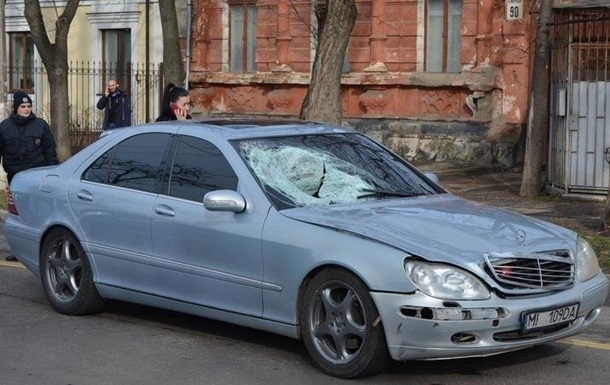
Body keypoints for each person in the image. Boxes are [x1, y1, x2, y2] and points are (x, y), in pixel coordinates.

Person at [0, 90, 59, 262]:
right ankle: (20, 251)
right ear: (16, 108)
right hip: (16, 178)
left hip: (37, 177)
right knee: (18, 215)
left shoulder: (40, 125)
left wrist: (52, 175)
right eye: (23, 106)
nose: (26, 109)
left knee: (39, 215)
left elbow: (50, 152)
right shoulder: (4, 127)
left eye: (29, 106)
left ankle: (41, 251)